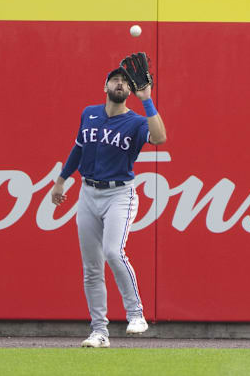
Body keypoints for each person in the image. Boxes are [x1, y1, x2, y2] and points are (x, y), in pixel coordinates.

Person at [51, 64, 167, 348]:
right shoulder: (89, 113)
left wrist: (147, 98)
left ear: (129, 90)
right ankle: (99, 331)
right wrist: (61, 180)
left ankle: (136, 314)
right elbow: (79, 147)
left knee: (114, 252)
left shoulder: (137, 122)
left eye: (124, 82)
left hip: (119, 194)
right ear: (105, 87)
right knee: (91, 268)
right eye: (114, 80)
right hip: (88, 192)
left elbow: (160, 137)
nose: (119, 84)